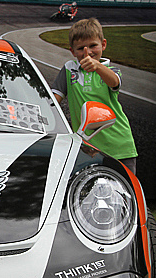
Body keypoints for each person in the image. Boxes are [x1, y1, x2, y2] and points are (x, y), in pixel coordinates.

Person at [51, 17, 138, 174]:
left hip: (119, 147)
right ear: (72, 51)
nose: (88, 52)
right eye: (81, 48)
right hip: (87, 147)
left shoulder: (111, 71)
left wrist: (97, 66)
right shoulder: (69, 69)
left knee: (123, 188)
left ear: (103, 44)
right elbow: (52, 102)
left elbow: (114, 82)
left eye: (93, 46)